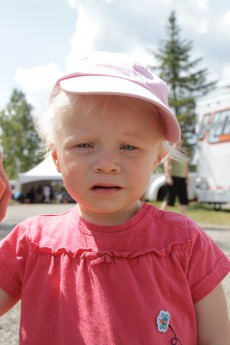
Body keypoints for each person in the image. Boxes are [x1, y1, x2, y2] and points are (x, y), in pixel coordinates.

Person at [0, 52, 229, 345]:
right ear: (57, 157)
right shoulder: (31, 244)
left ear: (157, 159)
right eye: (84, 144)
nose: (107, 163)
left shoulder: (184, 243)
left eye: (129, 147)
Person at [161, 139, 189, 214]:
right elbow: (166, 165)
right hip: (173, 178)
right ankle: (159, 215)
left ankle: (182, 219)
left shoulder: (183, 152)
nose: (179, 142)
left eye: (180, 140)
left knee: (184, 200)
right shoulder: (171, 151)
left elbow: (186, 166)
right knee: (170, 200)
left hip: (182, 179)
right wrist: (169, 177)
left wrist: (187, 178)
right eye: (177, 140)